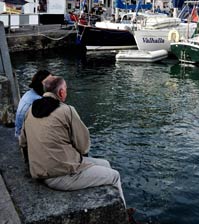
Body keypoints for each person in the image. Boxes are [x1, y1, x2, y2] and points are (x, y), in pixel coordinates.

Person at [19, 76, 126, 207]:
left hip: (39, 170)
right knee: (114, 175)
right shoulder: (66, 110)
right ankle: (124, 215)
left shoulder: (30, 110)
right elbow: (83, 146)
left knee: (106, 163)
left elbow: (23, 142)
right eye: (65, 90)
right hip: (60, 175)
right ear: (61, 93)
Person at [14, 69, 51, 137]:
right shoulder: (38, 100)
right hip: (24, 136)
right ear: (43, 84)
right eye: (51, 82)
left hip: (19, 131)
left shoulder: (29, 93)